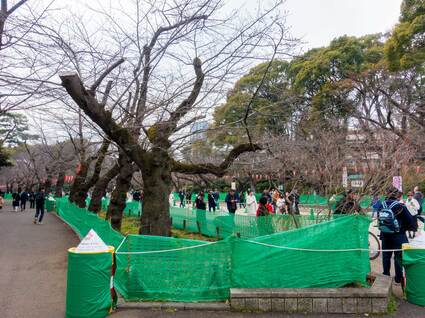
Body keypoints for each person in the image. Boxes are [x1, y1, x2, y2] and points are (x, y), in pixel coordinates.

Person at [374, 186, 416, 284]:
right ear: (396, 194)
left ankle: (386, 276)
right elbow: (410, 221)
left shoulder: (381, 205)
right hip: (399, 235)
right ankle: (398, 278)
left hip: (385, 234)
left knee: (386, 256)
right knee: (398, 257)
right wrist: (404, 228)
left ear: (387, 194)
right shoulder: (400, 206)